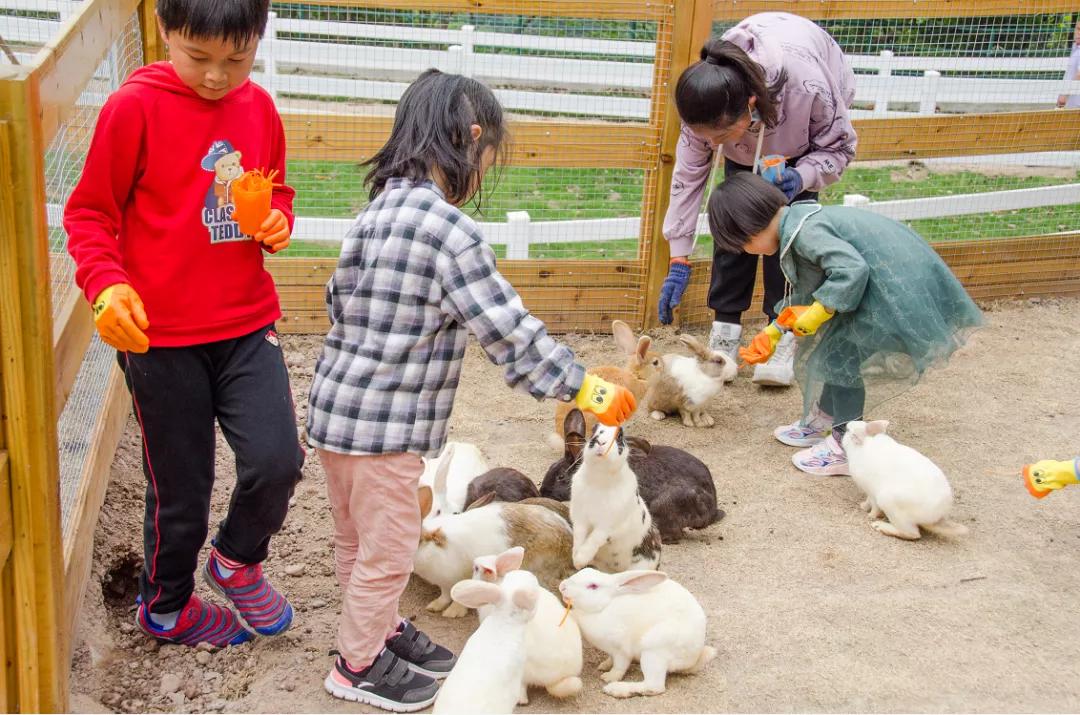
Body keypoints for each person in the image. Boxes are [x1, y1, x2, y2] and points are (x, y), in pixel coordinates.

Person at [306, 69, 636, 713]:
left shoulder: (372, 215)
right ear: (473, 141)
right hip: (388, 427)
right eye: (486, 161)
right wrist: (585, 388)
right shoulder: (449, 231)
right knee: (391, 547)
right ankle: (358, 662)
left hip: (335, 413)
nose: (482, 175)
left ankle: (373, 630)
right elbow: (506, 328)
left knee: (357, 539)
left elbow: (335, 300)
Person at [63, 0, 302, 648]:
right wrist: (107, 284)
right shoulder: (134, 109)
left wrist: (277, 220)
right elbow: (88, 215)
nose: (219, 75)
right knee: (182, 486)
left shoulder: (259, 110)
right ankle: (166, 606)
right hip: (161, 338)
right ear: (165, 30)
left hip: (246, 322)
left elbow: (275, 192)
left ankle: (236, 559)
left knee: (278, 458)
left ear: (257, 39)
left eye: (238, 57)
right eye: (199, 57)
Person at [708, 173, 983, 476]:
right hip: (882, 287)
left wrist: (817, 313)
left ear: (749, 231)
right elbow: (810, 287)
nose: (746, 253)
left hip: (893, 293)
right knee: (835, 352)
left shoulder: (806, 232)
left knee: (841, 358)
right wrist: (775, 330)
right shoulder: (797, 221)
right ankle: (827, 416)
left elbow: (851, 270)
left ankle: (847, 443)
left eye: (740, 245)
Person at [657, 12, 857, 387]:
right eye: (706, 137)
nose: (712, 144)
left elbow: (840, 146)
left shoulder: (808, 87)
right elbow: (687, 178)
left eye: (719, 134)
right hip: (747, 138)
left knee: (788, 238)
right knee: (732, 226)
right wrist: (679, 255)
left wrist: (802, 177)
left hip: (802, 140)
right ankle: (725, 333)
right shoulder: (707, 99)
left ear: (749, 104)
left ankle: (780, 334)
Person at [1056, 19, 1080, 109]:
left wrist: (1064, 96)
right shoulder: (1075, 47)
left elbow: (1079, 74)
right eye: (1078, 29)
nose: (1079, 33)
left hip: (1076, 104)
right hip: (1071, 104)